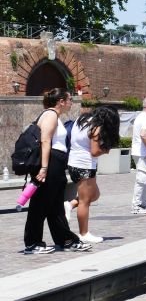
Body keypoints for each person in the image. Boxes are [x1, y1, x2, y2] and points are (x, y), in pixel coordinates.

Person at [23, 88, 91, 254]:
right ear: (61, 101)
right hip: (50, 163)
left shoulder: (54, 116)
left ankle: (66, 240)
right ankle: (32, 243)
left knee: (55, 206)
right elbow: (46, 141)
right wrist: (44, 168)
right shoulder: (51, 115)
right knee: (40, 203)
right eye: (69, 100)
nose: (71, 103)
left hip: (56, 163)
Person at [67, 106, 120, 244]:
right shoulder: (96, 127)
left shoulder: (82, 119)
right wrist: (106, 150)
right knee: (85, 201)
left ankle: (70, 205)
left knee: (95, 194)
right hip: (85, 165)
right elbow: (95, 152)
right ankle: (84, 233)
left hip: (74, 163)